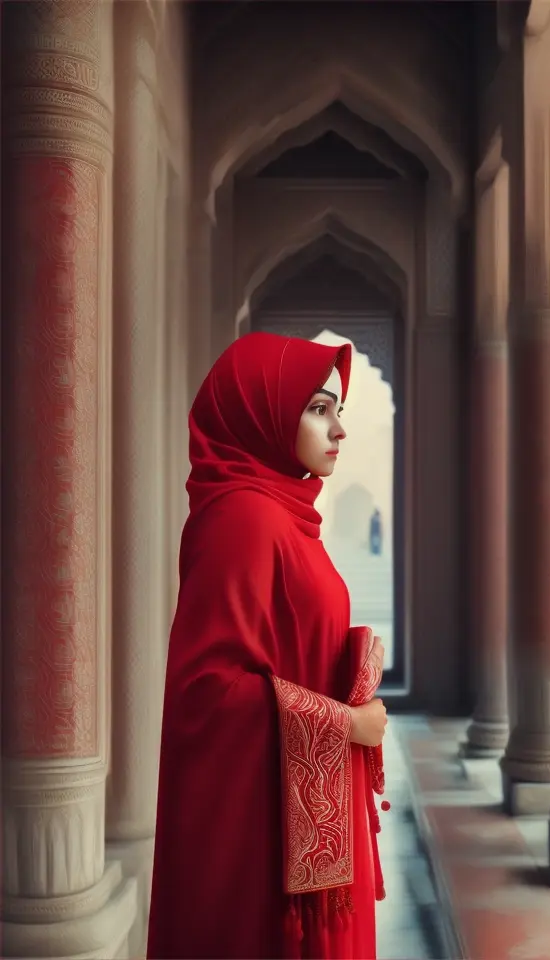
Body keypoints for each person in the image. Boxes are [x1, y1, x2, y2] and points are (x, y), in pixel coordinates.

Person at [147, 332, 389, 960]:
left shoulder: (285, 516)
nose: (338, 430)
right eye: (317, 409)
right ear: (261, 413)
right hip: (270, 845)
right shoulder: (244, 520)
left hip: (307, 815)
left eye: (338, 410)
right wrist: (346, 723)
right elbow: (209, 693)